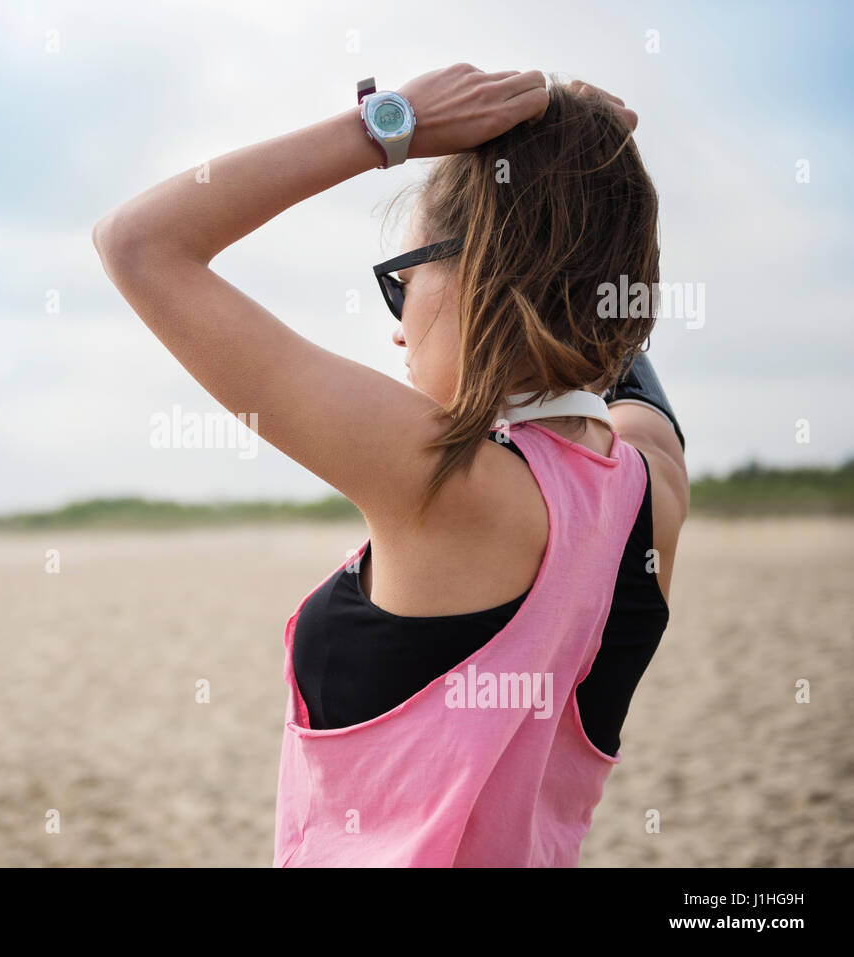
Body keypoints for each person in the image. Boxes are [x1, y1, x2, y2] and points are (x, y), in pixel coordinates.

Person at [93, 64, 689, 867]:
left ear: (482, 270)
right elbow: (615, 355)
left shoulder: (441, 477)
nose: (400, 328)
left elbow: (137, 243)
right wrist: (590, 168)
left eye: (402, 281)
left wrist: (386, 128)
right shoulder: (652, 487)